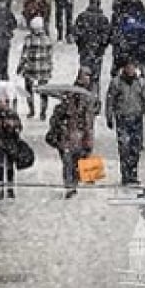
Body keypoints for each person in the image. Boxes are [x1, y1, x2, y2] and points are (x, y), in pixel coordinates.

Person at [47, 68, 97, 198]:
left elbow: (89, 120)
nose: (87, 79)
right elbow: (56, 119)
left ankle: (74, 183)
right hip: (68, 137)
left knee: (76, 162)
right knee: (69, 162)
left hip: (79, 137)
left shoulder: (88, 97)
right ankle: (70, 186)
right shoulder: (69, 100)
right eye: (85, 76)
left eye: (88, 76)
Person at [105, 61, 145, 185]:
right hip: (122, 119)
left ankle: (133, 173)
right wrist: (109, 116)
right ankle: (125, 175)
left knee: (135, 148)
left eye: (132, 67)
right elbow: (110, 100)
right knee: (124, 148)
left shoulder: (141, 83)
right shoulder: (116, 83)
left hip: (137, 118)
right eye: (128, 67)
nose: (130, 70)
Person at [73, 0, 112, 96]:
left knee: (84, 74)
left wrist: (81, 45)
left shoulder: (82, 16)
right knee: (95, 77)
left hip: (85, 51)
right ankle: (94, 97)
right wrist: (101, 48)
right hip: (97, 52)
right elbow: (107, 37)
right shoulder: (103, 19)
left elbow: (76, 33)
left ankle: (82, 95)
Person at [0, 94, 24, 200]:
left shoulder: (12, 113)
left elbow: (19, 127)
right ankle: (0, 190)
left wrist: (12, 126)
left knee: (10, 167)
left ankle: (10, 189)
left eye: (1, 102)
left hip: (10, 144)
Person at [17, 17, 54, 119]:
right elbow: (50, 55)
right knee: (44, 91)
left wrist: (20, 66)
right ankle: (43, 112)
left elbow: (24, 55)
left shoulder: (29, 39)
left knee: (28, 90)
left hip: (31, 69)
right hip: (44, 69)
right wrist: (50, 66)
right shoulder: (47, 39)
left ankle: (31, 110)